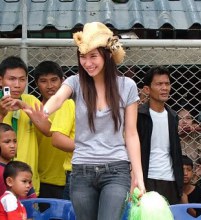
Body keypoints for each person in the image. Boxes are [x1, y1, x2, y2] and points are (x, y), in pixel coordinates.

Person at [43, 21, 145, 220]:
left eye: (93, 56)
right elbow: (57, 98)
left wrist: (138, 175)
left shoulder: (127, 86)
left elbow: (131, 134)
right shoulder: (75, 82)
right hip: (81, 171)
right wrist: (44, 111)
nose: (87, 63)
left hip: (116, 169)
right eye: (82, 56)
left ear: (106, 56)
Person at [0, 56, 51, 195]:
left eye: (22, 79)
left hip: (28, 184)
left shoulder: (30, 100)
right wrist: (2, 114)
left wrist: (26, 108)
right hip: (2, 182)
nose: (17, 84)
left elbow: (48, 131)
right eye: (12, 79)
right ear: (1, 80)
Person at [137, 65, 183, 205]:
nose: (164, 88)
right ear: (147, 89)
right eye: (159, 84)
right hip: (147, 178)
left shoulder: (173, 116)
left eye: (167, 84)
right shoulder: (139, 115)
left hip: (170, 179)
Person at [34, 61, 67, 199]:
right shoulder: (33, 109)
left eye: (54, 80)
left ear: (63, 81)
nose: (49, 86)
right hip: (40, 180)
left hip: (69, 178)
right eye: (43, 81)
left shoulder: (71, 107)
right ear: (36, 84)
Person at [0, 122, 36, 199]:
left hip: (23, 210)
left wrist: (35, 210)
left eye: (15, 141)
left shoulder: (20, 168)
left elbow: (32, 198)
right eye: (7, 142)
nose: (13, 146)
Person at [50, 98, 75, 200]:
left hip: (115, 171)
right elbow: (57, 139)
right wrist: (95, 147)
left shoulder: (119, 101)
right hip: (79, 171)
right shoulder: (71, 103)